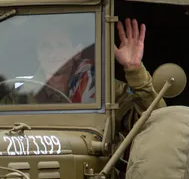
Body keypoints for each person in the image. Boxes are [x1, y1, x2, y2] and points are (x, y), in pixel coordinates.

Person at [26, 18, 163, 121]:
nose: (52, 53)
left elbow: (157, 120)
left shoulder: (106, 91)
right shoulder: (21, 96)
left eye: (61, 46)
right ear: (37, 53)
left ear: (77, 51)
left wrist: (135, 70)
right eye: (45, 46)